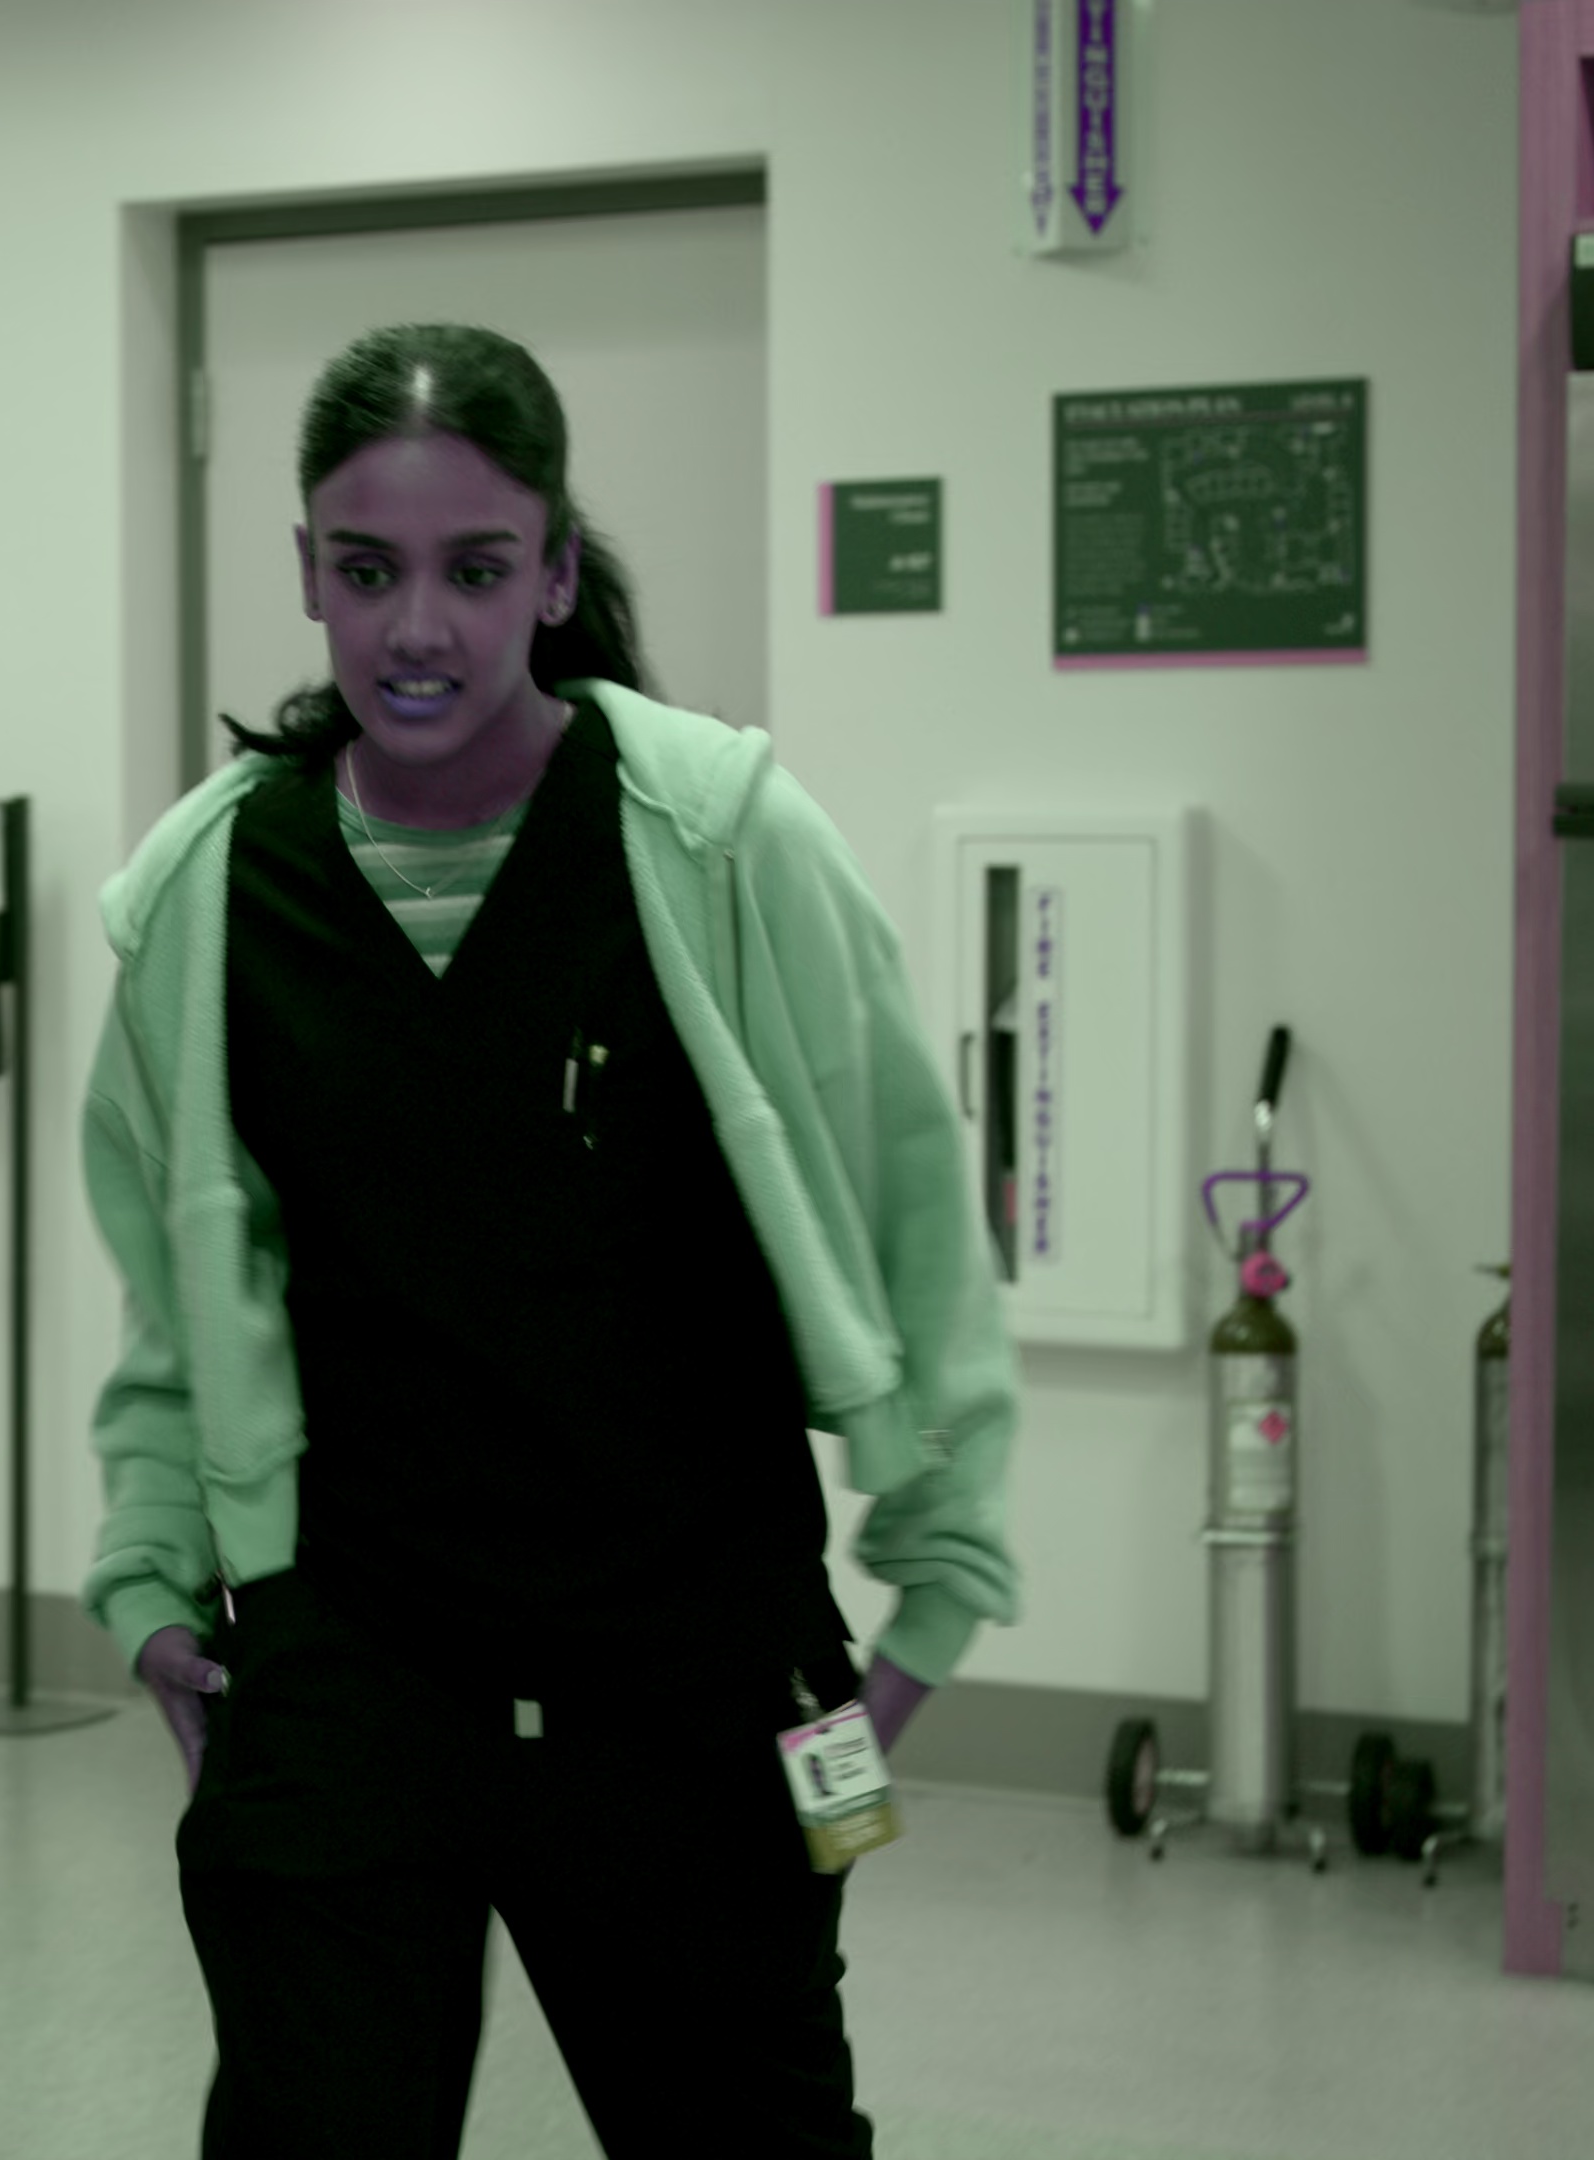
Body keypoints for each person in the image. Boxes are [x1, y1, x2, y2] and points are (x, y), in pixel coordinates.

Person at [79, 323, 1019, 2158]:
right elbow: (182, 1303)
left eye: (477, 568)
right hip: (352, 1668)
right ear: (307, 574)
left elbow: (917, 1223)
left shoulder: (717, 841)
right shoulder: (210, 894)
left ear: (558, 572)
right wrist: (148, 1582)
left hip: (687, 1678)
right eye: (368, 571)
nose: (417, 627)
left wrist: (930, 1608)